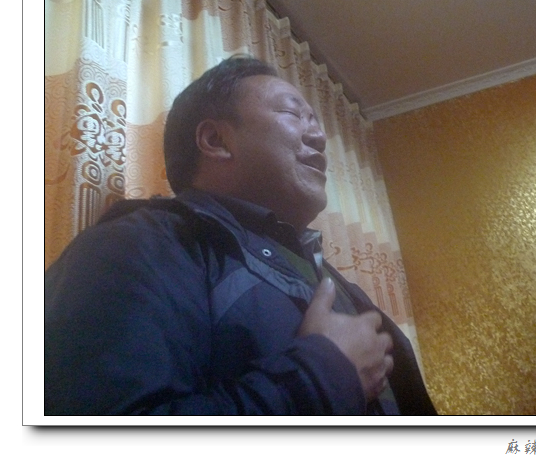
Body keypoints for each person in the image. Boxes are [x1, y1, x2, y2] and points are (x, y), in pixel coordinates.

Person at [45, 56, 436, 415]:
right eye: (292, 113)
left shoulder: (340, 285)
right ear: (216, 141)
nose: (319, 137)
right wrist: (321, 376)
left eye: (315, 120)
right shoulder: (134, 247)